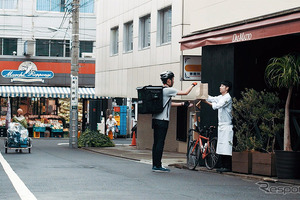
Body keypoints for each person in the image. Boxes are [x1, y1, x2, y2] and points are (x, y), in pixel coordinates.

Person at [152, 71, 197, 173]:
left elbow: (169, 103)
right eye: (172, 79)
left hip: (156, 119)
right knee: (160, 143)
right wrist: (192, 85)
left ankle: (155, 164)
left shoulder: (161, 90)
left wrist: (182, 104)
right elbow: (185, 92)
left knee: (156, 143)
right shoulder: (168, 90)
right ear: (168, 80)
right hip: (162, 121)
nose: (173, 81)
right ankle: (157, 166)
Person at [202, 81, 233, 172]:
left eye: (222, 86)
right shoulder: (221, 97)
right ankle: (223, 165)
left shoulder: (228, 98)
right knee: (222, 146)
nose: (220, 87)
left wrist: (206, 102)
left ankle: (227, 166)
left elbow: (218, 106)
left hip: (227, 125)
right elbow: (212, 98)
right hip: (221, 125)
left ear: (227, 88)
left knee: (226, 146)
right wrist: (203, 94)